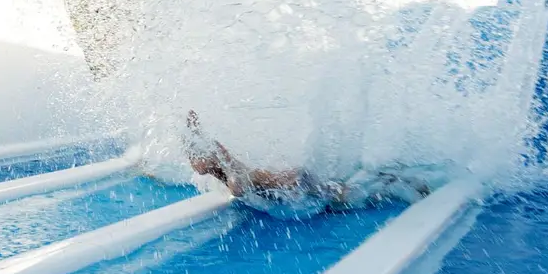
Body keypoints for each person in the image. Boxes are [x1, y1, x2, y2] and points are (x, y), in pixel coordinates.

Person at [183, 112, 439, 219]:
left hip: (297, 183)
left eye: (194, 159)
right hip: (294, 181)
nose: (193, 165)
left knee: (350, 199)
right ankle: (391, 179)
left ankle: (397, 179)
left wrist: (230, 181)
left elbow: (238, 188)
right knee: (345, 195)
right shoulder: (220, 164)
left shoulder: (228, 167)